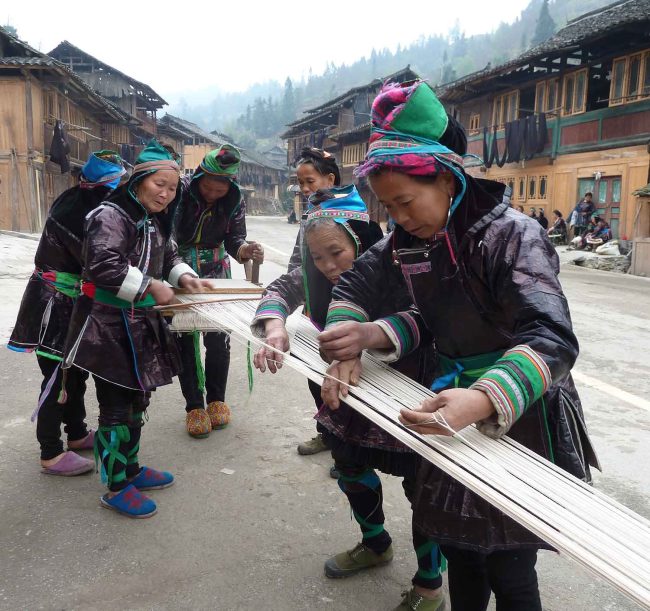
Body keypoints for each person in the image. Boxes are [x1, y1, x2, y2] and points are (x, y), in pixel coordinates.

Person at [318, 80, 598, 611]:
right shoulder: (407, 242)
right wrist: (356, 337)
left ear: (446, 179)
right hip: (447, 405)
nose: (399, 219)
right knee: (460, 550)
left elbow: (552, 336)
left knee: (510, 565)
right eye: (388, 207)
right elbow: (360, 287)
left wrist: (485, 397)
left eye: (406, 202)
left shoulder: (512, 236)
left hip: (519, 412)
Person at [251, 186, 445, 610]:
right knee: (350, 467)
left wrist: (365, 338)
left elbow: (427, 319)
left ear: (361, 240)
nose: (327, 265)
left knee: (425, 487)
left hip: (411, 390)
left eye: (336, 252)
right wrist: (275, 327)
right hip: (347, 391)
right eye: (317, 257)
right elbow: (279, 291)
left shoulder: (401, 266)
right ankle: (375, 543)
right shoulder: (315, 275)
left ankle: (430, 583)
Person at [63, 140, 212, 518]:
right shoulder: (109, 216)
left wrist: (184, 276)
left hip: (140, 323)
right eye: (159, 184)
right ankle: (116, 486)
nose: (166, 194)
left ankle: (130, 469)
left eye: (173, 188)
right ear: (138, 181)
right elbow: (104, 265)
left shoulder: (153, 219)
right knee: (115, 406)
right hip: (108, 325)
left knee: (137, 399)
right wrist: (149, 285)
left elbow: (170, 255)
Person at [8, 151, 125, 476]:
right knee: (58, 378)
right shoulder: (82, 211)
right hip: (54, 302)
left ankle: (76, 433)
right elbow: (99, 262)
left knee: (75, 373)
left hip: (68, 299)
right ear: (109, 184)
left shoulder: (79, 199)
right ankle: (50, 452)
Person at [173, 145, 264, 438]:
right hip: (179, 272)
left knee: (218, 340)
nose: (213, 194)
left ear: (230, 186)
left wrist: (245, 249)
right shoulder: (180, 192)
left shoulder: (235, 200)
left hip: (216, 274)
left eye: (219, 190)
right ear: (199, 178)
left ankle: (216, 400)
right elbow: (168, 235)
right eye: (208, 188)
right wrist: (173, 268)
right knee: (185, 339)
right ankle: (193, 406)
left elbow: (235, 239)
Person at [287, 147, 341, 457]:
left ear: (330, 179)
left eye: (311, 181)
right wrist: (288, 295)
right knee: (315, 375)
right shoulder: (309, 214)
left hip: (344, 310)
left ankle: (346, 447)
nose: (305, 188)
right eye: (301, 183)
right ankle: (326, 434)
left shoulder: (348, 213)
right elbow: (299, 259)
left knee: (341, 377)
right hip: (315, 310)